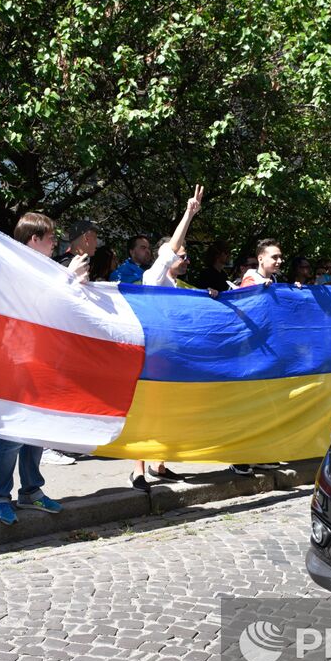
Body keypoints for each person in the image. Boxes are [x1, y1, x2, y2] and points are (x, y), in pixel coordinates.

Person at [0, 212, 78, 525]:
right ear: (34, 239)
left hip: (41, 358)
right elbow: (33, 305)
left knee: (37, 428)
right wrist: (68, 280)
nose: (56, 243)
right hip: (17, 359)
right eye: (51, 237)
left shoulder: (44, 267)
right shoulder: (16, 267)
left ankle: (31, 491)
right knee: (12, 433)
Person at [134, 185, 204, 492]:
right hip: (150, 358)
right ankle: (138, 471)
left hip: (171, 358)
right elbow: (168, 251)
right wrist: (189, 214)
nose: (186, 259)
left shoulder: (179, 286)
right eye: (183, 255)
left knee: (167, 413)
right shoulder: (153, 278)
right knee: (145, 413)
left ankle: (159, 464)